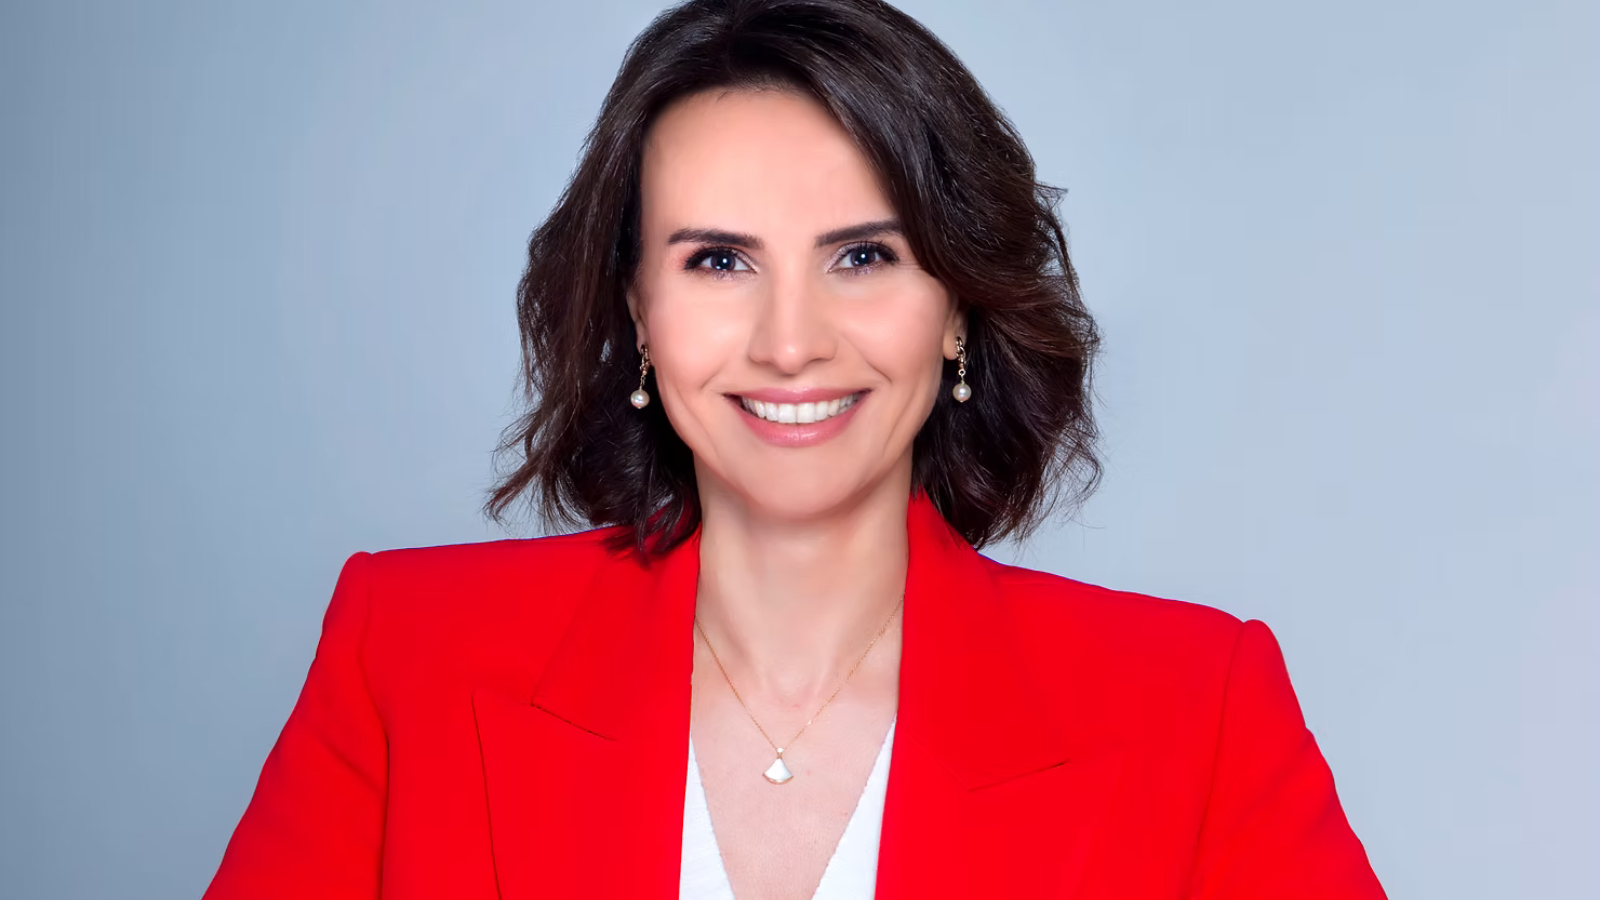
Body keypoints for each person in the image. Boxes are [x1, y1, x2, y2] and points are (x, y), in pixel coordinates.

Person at [203, 0, 1386, 897]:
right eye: (718, 260)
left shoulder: (1193, 706)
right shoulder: (406, 654)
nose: (788, 342)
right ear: (636, 309)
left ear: (957, 305)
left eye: (862, 256)